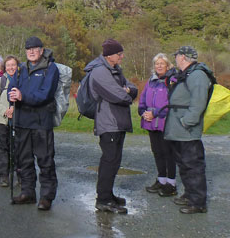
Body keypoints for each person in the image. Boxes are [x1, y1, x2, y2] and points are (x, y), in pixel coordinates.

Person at [85, 39, 138, 214]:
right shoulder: (100, 72)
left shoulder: (115, 70)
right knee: (109, 161)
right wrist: (127, 94)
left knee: (115, 161)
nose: (122, 56)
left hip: (117, 122)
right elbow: (117, 95)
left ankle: (108, 194)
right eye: (119, 54)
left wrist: (128, 90)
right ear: (109, 55)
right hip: (108, 122)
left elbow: (132, 88)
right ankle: (103, 200)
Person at [8, 37, 60, 210]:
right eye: (28, 49)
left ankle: (46, 197)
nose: (31, 52)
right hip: (22, 121)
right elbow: (13, 86)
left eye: (35, 48)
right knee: (24, 160)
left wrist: (23, 97)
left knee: (45, 160)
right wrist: (12, 95)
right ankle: (28, 192)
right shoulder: (21, 68)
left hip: (41, 121)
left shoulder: (51, 69)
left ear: (42, 50)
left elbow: (46, 94)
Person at [164, 46, 212, 214]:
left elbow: (198, 102)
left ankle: (198, 202)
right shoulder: (188, 74)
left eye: (176, 56)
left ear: (183, 57)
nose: (175, 59)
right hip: (179, 130)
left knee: (193, 166)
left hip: (187, 131)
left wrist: (187, 122)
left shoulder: (197, 75)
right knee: (184, 165)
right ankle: (189, 194)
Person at [138, 53, 177, 197]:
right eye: (156, 63)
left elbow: (173, 103)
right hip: (150, 122)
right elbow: (143, 98)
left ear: (168, 65)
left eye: (162, 63)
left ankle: (171, 184)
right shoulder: (151, 81)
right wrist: (143, 112)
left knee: (169, 153)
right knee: (157, 152)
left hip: (165, 122)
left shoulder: (172, 81)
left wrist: (155, 113)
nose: (159, 66)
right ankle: (161, 180)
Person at [0, 55, 18, 187]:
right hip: (1, 121)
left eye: (13, 65)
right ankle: (4, 175)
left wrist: (15, 111)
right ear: (5, 67)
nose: (11, 68)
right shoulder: (0, 81)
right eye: (8, 65)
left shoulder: (22, 80)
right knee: (2, 148)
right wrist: (5, 111)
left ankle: (18, 173)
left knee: (17, 148)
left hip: (18, 121)